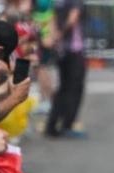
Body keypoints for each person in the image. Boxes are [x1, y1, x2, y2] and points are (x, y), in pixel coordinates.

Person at [45, 0, 86, 138]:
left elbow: (52, 18)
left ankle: (51, 125)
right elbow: (73, 17)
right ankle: (66, 125)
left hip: (61, 49)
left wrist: (55, 35)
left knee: (63, 88)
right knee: (74, 89)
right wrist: (61, 32)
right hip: (74, 49)